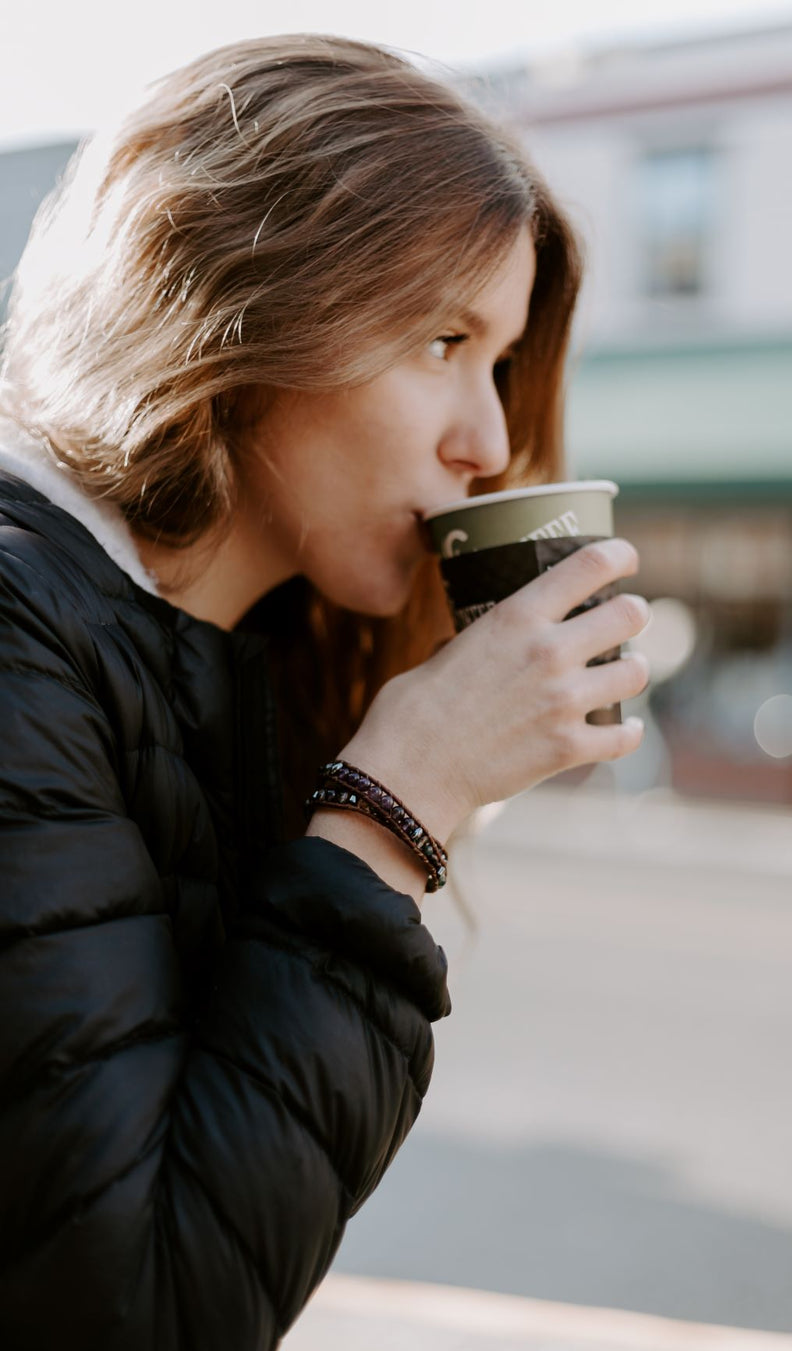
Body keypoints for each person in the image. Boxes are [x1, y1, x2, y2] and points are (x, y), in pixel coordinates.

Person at [0, 34, 650, 1351]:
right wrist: (396, 802)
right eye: (442, 339)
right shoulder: (22, 637)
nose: (488, 443)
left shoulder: (215, 665)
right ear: (243, 297)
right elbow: (143, 1311)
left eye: (501, 363)